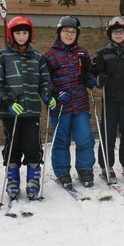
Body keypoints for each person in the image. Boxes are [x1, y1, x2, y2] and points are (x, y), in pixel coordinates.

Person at [0, 16, 55, 199]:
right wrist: (7, 102)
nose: (21, 36)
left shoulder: (38, 57)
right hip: (11, 111)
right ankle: (12, 179)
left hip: (31, 111)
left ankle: (33, 179)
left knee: (32, 145)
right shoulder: (2, 56)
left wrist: (46, 95)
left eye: (24, 33)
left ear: (30, 34)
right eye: (18, 33)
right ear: (11, 35)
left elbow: (45, 81)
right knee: (13, 145)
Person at [44, 16, 97, 188]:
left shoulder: (82, 53)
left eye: (73, 32)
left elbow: (87, 72)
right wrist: (55, 94)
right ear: (59, 33)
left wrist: (90, 79)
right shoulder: (50, 56)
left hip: (80, 104)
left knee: (85, 139)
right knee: (61, 140)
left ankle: (85, 169)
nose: (69, 35)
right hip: (61, 106)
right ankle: (62, 171)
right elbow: (44, 83)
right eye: (66, 31)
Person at [92, 16, 124, 183]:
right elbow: (96, 73)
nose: (118, 34)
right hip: (110, 100)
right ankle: (106, 165)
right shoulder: (103, 53)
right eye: (114, 32)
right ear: (110, 34)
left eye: (121, 32)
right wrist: (99, 78)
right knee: (108, 133)